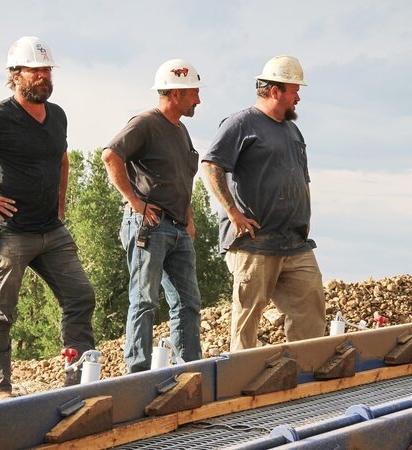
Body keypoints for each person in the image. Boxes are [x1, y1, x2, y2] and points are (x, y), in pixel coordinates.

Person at [0, 36, 95, 400]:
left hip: (50, 230)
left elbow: (62, 159)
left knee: (80, 296)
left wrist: (60, 205)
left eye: (47, 70)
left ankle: (77, 383)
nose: (43, 76)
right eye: (35, 70)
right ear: (15, 75)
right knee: (1, 311)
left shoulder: (57, 115)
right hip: (9, 232)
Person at [201, 55, 326, 351]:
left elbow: (302, 177)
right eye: (294, 91)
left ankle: (304, 369)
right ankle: (242, 373)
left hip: (294, 242)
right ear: (275, 91)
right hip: (254, 241)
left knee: (310, 307)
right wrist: (233, 212)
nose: (298, 98)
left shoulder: (292, 131)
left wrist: (305, 216)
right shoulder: (241, 123)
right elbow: (211, 165)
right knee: (248, 317)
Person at [102, 59, 204, 373]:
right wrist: (135, 202)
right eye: (193, 93)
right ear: (176, 93)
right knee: (144, 299)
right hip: (149, 225)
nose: (198, 100)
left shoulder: (181, 131)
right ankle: (137, 372)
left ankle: (188, 370)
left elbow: (182, 178)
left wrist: (188, 218)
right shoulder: (146, 123)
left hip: (177, 228)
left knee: (188, 302)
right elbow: (110, 155)